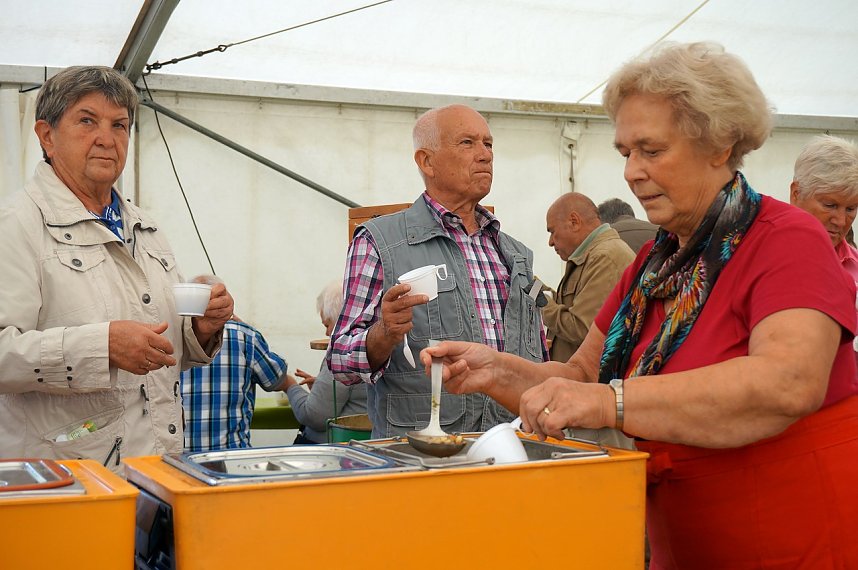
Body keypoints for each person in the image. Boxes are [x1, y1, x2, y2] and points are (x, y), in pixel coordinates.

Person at [424, 43, 858, 569]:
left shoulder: (786, 238)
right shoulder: (655, 262)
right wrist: (494, 370)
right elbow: (581, 375)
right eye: (625, 152)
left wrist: (613, 402)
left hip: (795, 541)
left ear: (718, 145)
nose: (631, 172)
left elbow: (788, 381)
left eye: (651, 151)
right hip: (683, 546)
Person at [0, 66, 234, 471]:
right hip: (69, 480)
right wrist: (102, 346)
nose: (107, 139)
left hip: (157, 468)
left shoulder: (146, 227)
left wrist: (199, 329)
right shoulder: (16, 225)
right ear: (46, 136)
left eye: (120, 125)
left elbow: (161, 341)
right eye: (87, 120)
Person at [327, 103, 548, 438]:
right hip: (423, 456)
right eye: (467, 143)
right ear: (426, 161)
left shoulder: (516, 254)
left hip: (512, 448)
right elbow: (340, 361)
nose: (485, 155)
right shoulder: (380, 242)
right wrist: (384, 334)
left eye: (488, 144)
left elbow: (539, 358)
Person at [181, 279, 288, 451]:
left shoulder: (171, 334)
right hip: (231, 457)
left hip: (176, 458)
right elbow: (275, 378)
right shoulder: (245, 336)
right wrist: (247, 330)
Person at [543, 192, 634, 363]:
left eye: (552, 231)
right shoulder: (592, 256)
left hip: (591, 383)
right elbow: (571, 309)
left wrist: (542, 305)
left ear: (574, 221)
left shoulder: (605, 257)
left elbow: (582, 328)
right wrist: (539, 291)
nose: (550, 242)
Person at [283, 281, 367, 444]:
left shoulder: (344, 352)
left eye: (327, 324)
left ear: (339, 320)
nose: (327, 332)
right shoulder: (370, 342)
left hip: (338, 449)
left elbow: (313, 416)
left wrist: (289, 385)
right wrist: (321, 386)